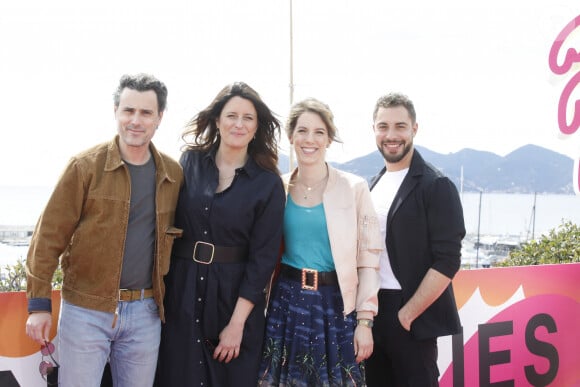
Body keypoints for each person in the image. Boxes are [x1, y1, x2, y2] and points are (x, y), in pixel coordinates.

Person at [24, 73, 183, 387]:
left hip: (145, 314)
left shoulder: (173, 174)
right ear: (116, 111)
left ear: (159, 117)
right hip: (85, 311)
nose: (135, 120)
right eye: (128, 110)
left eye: (146, 112)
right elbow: (48, 237)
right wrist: (38, 305)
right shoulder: (84, 167)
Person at [155, 82, 286, 387]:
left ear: (257, 127)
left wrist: (237, 324)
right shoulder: (189, 162)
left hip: (234, 299)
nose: (239, 124)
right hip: (182, 294)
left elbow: (263, 260)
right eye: (231, 115)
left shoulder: (268, 183)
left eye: (248, 118)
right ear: (217, 120)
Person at [258, 98, 383, 386]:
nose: (309, 139)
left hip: (335, 306)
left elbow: (368, 258)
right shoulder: (278, 187)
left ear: (329, 139)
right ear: (291, 137)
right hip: (285, 303)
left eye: (319, 132)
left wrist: (365, 321)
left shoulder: (355, 188)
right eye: (302, 131)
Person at [365, 92, 465, 386]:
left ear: (414, 129)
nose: (391, 135)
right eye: (383, 126)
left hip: (409, 315)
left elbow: (448, 261)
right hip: (372, 311)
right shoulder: (373, 184)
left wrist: (406, 315)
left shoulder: (436, 185)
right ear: (374, 130)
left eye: (400, 126)